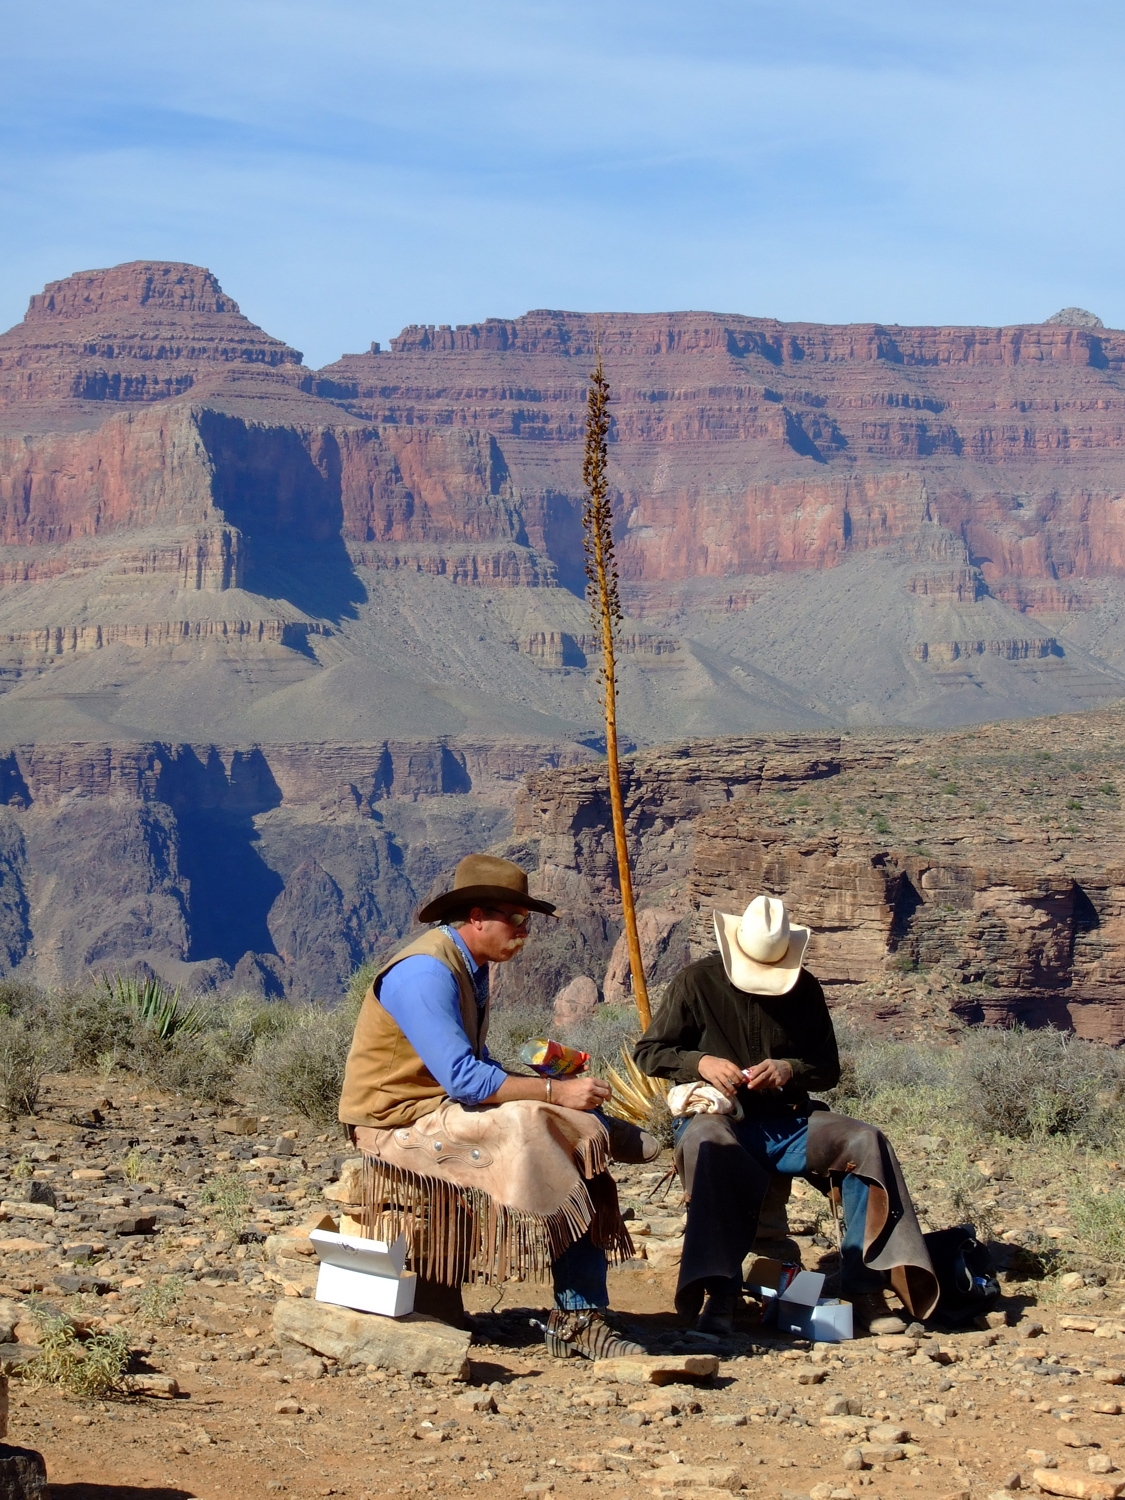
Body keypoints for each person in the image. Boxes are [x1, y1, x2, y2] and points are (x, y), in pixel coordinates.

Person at [338, 853, 647, 1360]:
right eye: (516, 918)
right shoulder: (425, 972)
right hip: (394, 1121)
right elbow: (464, 1078)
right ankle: (578, 1318)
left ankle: (598, 1133)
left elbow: (473, 1066)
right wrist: (554, 1094)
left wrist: (543, 1085)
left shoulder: (468, 965)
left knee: (548, 1114)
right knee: (537, 1123)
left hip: (431, 1106)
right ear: (476, 917)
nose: (525, 931)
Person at [633, 894, 938, 1337]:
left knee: (864, 1142)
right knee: (707, 1145)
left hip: (788, 1122)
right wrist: (701, 1063)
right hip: (722, 1119)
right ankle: (720, 1291)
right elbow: (650, 1053)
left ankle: (865, 1286)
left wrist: (788, 1069)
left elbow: (827, 1068)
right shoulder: (697, 982)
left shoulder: (805, 989)